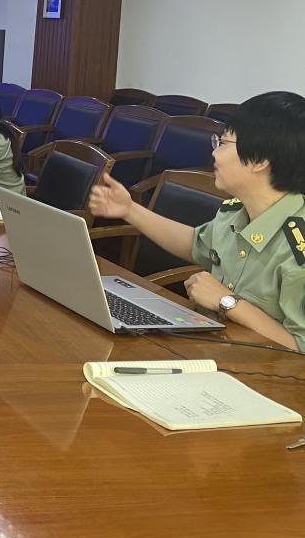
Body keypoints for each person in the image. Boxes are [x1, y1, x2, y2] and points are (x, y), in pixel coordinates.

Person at [89, 91, 305, 351]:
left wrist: (227, 302)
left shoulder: (298, 244)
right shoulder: (236, 212)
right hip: (220, 350)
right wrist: (129, 210)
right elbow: (195, 244)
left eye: (223, 143)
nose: (214, 154)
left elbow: (299, 346)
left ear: (259, 159)